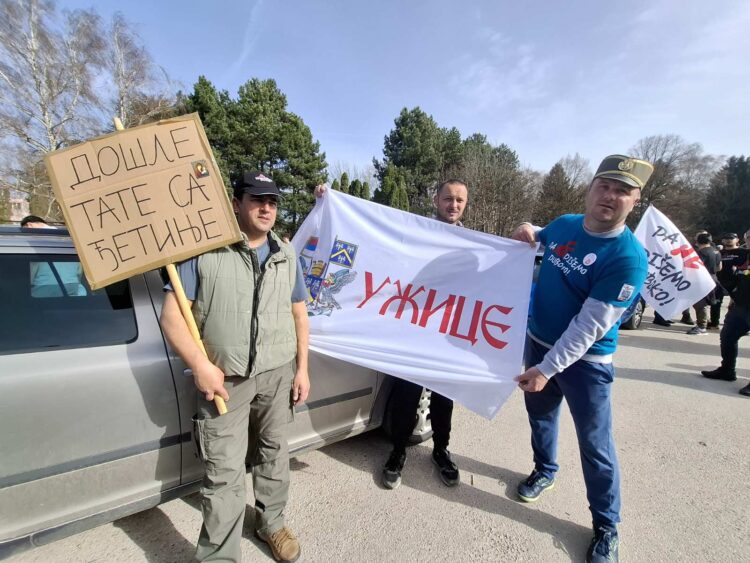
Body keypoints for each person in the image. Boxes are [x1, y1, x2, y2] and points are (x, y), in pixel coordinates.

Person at [160, 170, 310, 563]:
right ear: (236, 204)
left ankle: (271, 524)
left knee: (274, 455)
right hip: (224, 380)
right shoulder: (203, 251)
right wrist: (200, 365)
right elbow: (173, 319)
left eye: (273, 201)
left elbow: (299, 313)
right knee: (223, 474)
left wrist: (302, 368)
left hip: (277, 375)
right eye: (257, 199)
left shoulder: (285, 252)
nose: (266, 208)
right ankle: (219, 556)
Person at [511, 155, 653, 563]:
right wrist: (530, 230)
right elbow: (543, 235)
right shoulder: (567, 224)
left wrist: (546, 369)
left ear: (635, 200)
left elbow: (589, 327)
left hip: (586, 363)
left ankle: (607, 526)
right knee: (541, 418)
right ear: (590, 188)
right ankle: (545, 470)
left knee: (596, 445)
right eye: (604, 185)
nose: (610, 196)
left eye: (622, 191)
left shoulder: (627, 259)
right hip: (538, 344)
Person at [313, 179, 468, 490]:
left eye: (460, 200)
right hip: (412, 332)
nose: (453, 205)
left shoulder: (473, 243)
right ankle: (397, 452)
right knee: (405, 396)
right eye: (448, 198)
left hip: (447, 336)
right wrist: (329, 201)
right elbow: (375, 243)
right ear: (436, 200)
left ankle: (440, 451)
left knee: (443, 399)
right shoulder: (415, 232)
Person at [702, 249, 750, 396]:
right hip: (741, 306)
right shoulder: (744, 255)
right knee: (728, 336)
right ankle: (727, 370)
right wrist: (733, 296)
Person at [686, 233, 721, 335]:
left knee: (700, 303)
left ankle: (702, 326)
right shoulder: (716, 252)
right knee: (707, 302)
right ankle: (704, 324)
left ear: (698, 242)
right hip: (713, 277)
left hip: (702, 279)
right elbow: (720, 267)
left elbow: (696, 268)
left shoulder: (701, 253)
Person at [712, 233, 747, 328]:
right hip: (720, 281)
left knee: (738, 305)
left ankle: (737, 324)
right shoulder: (719, 252)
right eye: (726, 238)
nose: (728, 240)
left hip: (737, 282)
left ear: (737, 240)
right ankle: (714, 323)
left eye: (731, 238)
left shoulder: (744, 252)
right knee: (716, 303)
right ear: (722, 241)